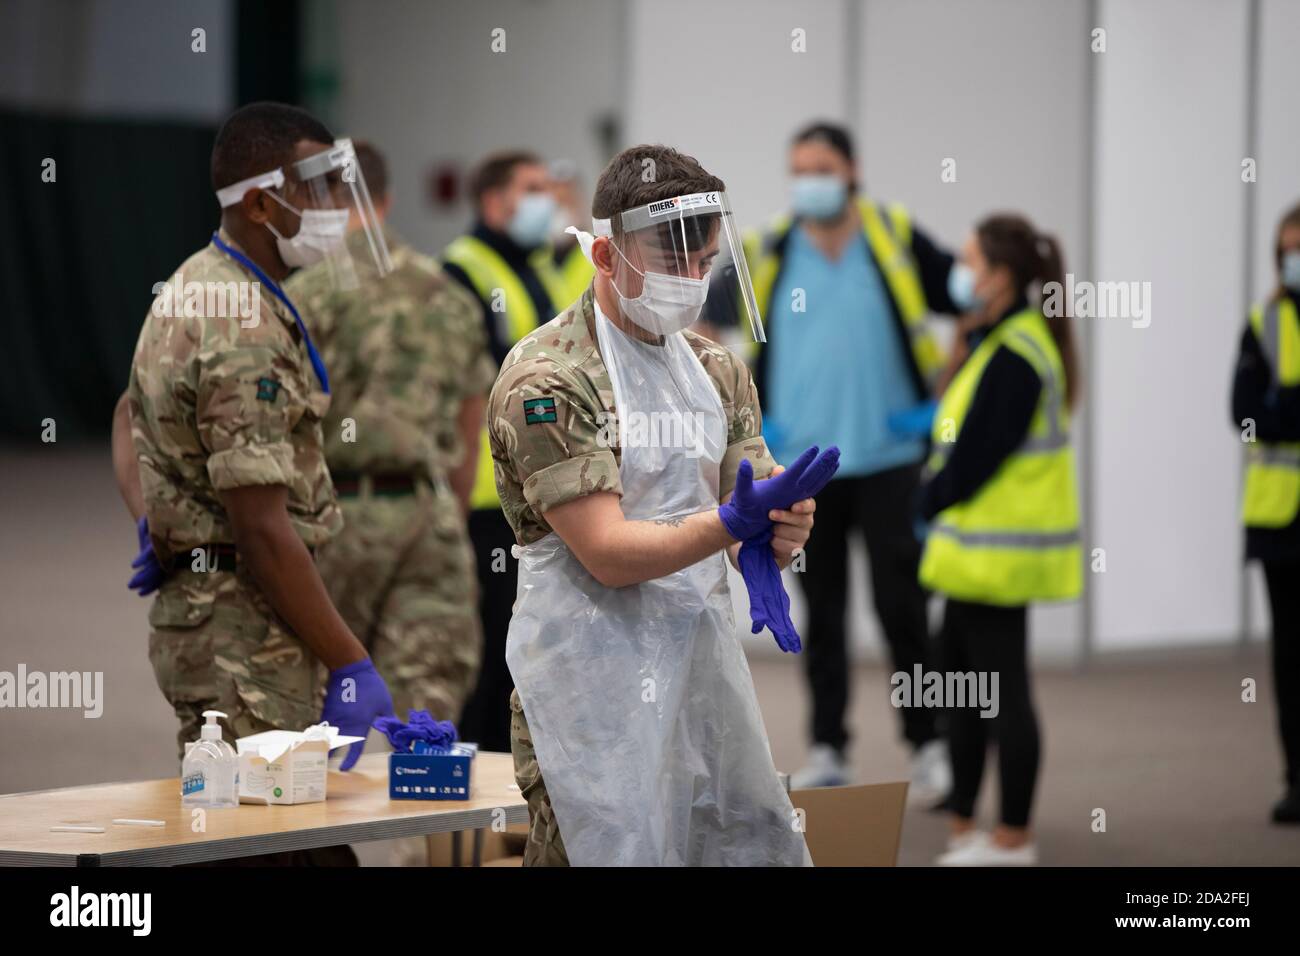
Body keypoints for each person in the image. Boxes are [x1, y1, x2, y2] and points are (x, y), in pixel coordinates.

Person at [489, 144, 838, 866]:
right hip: (584, 683)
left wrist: (780, 530)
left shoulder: (715, 369)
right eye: (670, 257)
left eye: (703, 259)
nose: (690, 277)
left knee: (731, 844)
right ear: (608, 256)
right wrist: (732, 524)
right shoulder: (549, 380)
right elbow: (610, 555)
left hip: (697, 673)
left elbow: (748, 505)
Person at [110, 104, 396, 815]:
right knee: (260, 839)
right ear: (263, 203)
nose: (335, 209)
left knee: (292, 842)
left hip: (228, 623)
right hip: (244, 638)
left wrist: (154, 518)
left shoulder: (203, 281)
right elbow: (262, 529)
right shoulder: (244, 326)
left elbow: (127, 416)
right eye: (319, 189)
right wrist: (349, 658)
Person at [721, 121, 960, 796]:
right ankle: (828, 746)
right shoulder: (767, 248)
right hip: (801, 463)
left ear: (851, 171)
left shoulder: (893, 235)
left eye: (821, 168)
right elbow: (702, 318)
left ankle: (927, 745)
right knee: (821, 612)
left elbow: (970, 297)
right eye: (798, 169)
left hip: (890, 455)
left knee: (903, 608)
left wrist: (940, 393)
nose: (809, 183)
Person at [287, 141, 494, 729]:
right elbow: (469, 418)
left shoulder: (306, 295)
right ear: (385, 199)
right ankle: (434, 812)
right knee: (429, 705)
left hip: (333, 518)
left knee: (313, 702)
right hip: (428, 513)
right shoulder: (448, 294)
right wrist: (444, 506)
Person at [918, 213, 1082, 866]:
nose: (959, 274)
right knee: (959, 690)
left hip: (1000, 557)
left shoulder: (1019, 351)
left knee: (1001, 692)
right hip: (971, 556)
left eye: (969, 262)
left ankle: (1014, 837)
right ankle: (966, 823)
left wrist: (924, 498)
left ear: (1002, 276)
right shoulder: (996, 340)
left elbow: (977, 455)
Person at [442, 150, 594, 752]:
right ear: (494, 200)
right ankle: (477, 800)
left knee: (528, 652)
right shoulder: (463, 272)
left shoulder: (535, 267)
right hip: (484, 497)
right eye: (533, 189)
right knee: (488, 658)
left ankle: (510, 786)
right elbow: (458, 393)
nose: (548, 200)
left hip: (535, 490)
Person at [1231, 201, 1300, 825]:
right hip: (1281, 519)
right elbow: (1247, 415)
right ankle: (1297, 778)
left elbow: (1276, 413)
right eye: (1287, 252)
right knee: (1290, 654)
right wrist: (1285, 411)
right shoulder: (1266, 321)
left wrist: (1288, 408)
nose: (1294, 261)